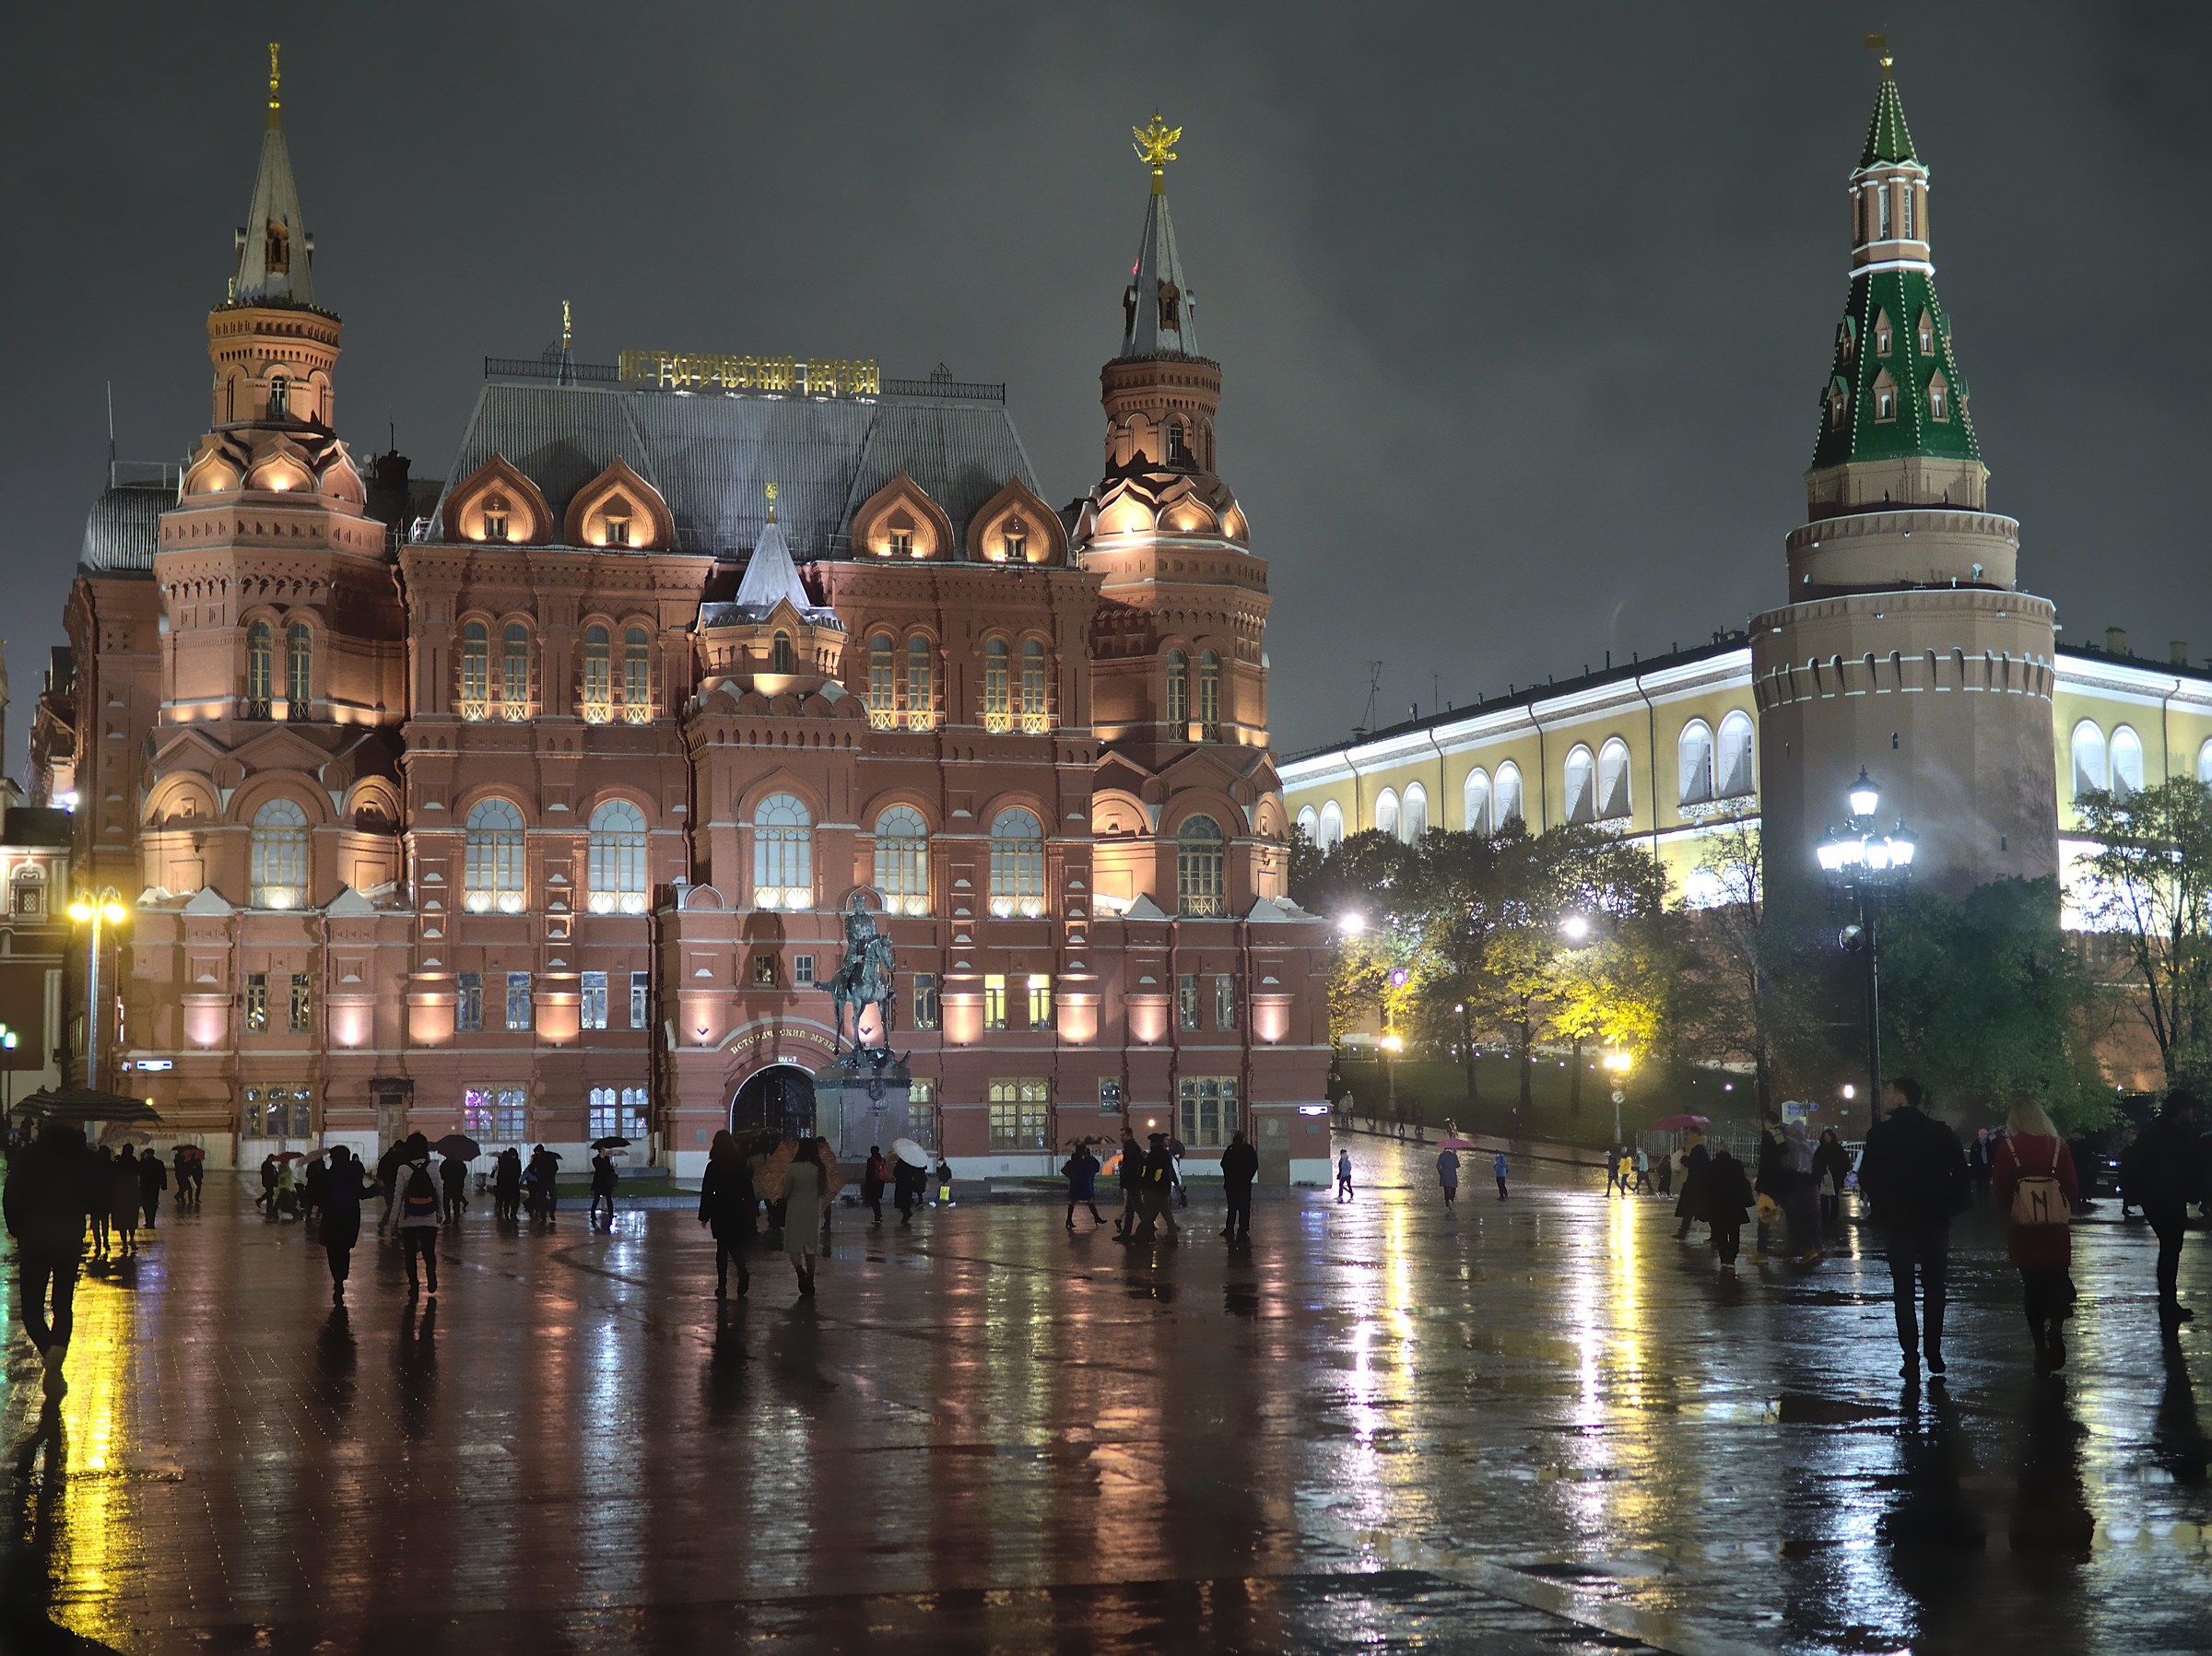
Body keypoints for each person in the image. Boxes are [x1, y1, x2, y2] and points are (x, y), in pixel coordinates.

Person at [1856, 1076, 1970, 1382]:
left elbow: (1867, 1176)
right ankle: (1934, 1351)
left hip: (1897, 1221)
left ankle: (1910, 1356)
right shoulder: (1939, 1133)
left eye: (1890, 1092)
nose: (1885, 1096)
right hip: (1933, 1220)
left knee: (1903, 1290)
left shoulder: (1879, 1135)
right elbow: (1960, 1176)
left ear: (1901, 1098)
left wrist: (1884, 1200)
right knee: (1934, 1287)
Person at [3, 1119, 98, 1400]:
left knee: (31, 1310)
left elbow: (11, 1195)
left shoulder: (30, 1156)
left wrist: (17, 1228)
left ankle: (49, 1355)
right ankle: (56, 1354)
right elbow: (96, 1198)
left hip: (34, 1239)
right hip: (68, 1239)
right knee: (62, 1304)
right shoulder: (83, 1159)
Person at [1991, 1100, 2081, 1374]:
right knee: (2057, 1279)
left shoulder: (2009, 1149)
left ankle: (2040, 1348)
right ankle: (2056, 1325)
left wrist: (2015, 1211)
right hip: (2054, 1230)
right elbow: (2072, 1189)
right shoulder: (2058, 1147)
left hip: (2025, 1231)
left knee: (2032, 1287)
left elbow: (2001, 1189)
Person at [2123, 1090, 2204, 1331]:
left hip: (2157, 1199)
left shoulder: (2153, 1133)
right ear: (2181, 1111)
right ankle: (2168, 1303)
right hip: (2169, 1199)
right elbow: (2187, 1167)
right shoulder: (2177, 1136)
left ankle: (2167, 1301)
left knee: (2169, 1249)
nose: (2193, 1115)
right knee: (2171, 1249)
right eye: (2190, 1110)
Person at [698, 1131, 755, 1298]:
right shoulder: (740, 1163)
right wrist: (751, 1209)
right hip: (737, 1208)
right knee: (735, 1245)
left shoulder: (714, 1166)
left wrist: (704, 1215)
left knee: (722, 1248)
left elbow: (707, 1191)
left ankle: (722, 1285)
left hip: (720, 1209)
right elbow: (748, 1188)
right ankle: (742, 1272)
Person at [319, 1145, 378, 1306]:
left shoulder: (327, 1175)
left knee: (332, 1250)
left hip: (331, 1218)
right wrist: (375, 1189)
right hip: (349, 1217)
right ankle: (341, 1278)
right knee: (344, 1249)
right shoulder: (352, 1174)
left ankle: (337, 1279)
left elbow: (320, 1197)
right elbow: (361, 1193)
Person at [386, 1133, 442, 1298]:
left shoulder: (403, 1169)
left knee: (410, 1255)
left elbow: (399, 1196)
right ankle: (431, 1277)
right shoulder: (433, 1167)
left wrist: (393, 1219)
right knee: (429, 1252)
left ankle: (414, 1286)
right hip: (429, 1217)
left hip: (408, 1218)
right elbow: (439, 1191)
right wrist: (441, 1213)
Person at [782, 1139, 824, 1296]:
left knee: (794, 1244)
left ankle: (800, 1272)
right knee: (810, 1247)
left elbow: (786, 1193)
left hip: (795, 1210)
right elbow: (823, 1190)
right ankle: (811, 1280)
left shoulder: (793, 1168)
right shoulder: (819, 1168)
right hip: (813, 1211)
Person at [1778, 1120, 1822, 1263]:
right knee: (1806, 1217)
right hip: (1806, 1185)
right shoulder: (1807, 1147)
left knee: (1797, 1217)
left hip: (1799, 1184)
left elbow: (1794, 1164)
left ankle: (1807, 1247)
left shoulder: (1795, 1145)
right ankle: (1812, 1246)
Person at [1704, 1145, 1755, 1269]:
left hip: (1717, 1205)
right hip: (1735, 1204)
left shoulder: (1712, 1165)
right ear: (1730, 1152)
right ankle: (1732, 1258)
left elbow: (1707, 1185)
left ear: (1718, 1152)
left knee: (1721, 1233)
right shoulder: (1736, 1164)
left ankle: (1723, 1258)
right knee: (1734, 1232)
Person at [1129, 1133, 1182, 1244]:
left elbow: (1150, 1171)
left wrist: (1144, 1161)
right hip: (1164, 1188)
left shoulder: (1153, 1154)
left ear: (1153, 1142)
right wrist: (1176, 1183)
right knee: (1166, 1213)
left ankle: (1141, 1236)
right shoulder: (1166, 1154)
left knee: (1148, 1213)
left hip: (1153, 1188)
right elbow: (1169, 1171)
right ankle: (1172, 1236)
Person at [1220, 1131, 1259, 1241]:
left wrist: (1230, 1176)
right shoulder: (1247, 1150)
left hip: (1235, 1184)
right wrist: (1247, 1177)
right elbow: (1254, 1165)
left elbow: (1224, 1164)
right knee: (1242, 1208)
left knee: (1234, 1208)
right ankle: (1241, 1230)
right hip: (1241, 1184)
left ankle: (1232, 1229)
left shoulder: (1233, 1149)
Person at [1814, 1128, 1852, 1231]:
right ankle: (1826, 1217)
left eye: (1828, 1136)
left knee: (1832, 1197)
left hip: (1834, 1176)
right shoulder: (1823, 1149)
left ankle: (1832, 1217)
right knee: (1825, 1198)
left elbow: (1843, 1163)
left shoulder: (1831, 1149)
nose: (1827, 1138)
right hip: (1826, 1177)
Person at [111, 1145, 144, 1258]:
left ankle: (124, 1241)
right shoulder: (134, 1162)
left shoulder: (118, 1163)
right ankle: (132, 1238)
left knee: (122, 1219)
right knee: (132, 1218)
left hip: (120, 1194)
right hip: (132, 1194)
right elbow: (140, 1172)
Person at [1675, 1130, 1710, 1239]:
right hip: (1692, 1183)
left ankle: (1716, 1235)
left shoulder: (1698, 1148)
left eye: (1690, 1133)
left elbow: (1695, 1164)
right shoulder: (1692, 1147)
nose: (1687, 1136)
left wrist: (1684, 1159)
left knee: (1702, 1210)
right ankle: (1682, 1232)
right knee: (1689, 1210)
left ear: (1695, 1134)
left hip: (1696, 1184)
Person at [1064, 1142, 1105, 1229]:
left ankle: (1069, 1220)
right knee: (1086, 1200)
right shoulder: (1081, 1159)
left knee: (1074, 1201)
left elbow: (1094, 1167)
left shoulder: (1077, 1159)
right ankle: (1095, 1218)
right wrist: (1089, 1157)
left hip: (1078, 1184)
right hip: (1082, 1183)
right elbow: (1095, 1167)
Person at [1113, 1131, 1143, 1238]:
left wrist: (1123, 1168)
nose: (1121, 1137)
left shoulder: (1131, 1147)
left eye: (1123, 1135)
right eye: (1120, 1135)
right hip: (1132, 1181)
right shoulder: (1131, 1146)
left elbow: (1131, 1165)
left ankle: (1148, 1229)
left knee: (1138, 1207)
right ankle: (1126, 1232)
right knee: (1130, 1208)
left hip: (1132, 1181)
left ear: (1130, 1135)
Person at [88, 1145, 113, 1261]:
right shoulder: (110, 1165)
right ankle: (106, 1240)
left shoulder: (93, 1166)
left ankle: (97, 1242)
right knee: (105, 1221)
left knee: (95, 1222)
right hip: (106, 1198)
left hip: (94, 1197)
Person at [527, 1144, 561, 1226]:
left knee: (542, 1198)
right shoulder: (550, 1156)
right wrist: (552, 1174)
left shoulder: (537, 1158)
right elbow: (556, 1168)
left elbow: (531, 1169)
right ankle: (552, 1212)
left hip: (541, 1181)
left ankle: (543, 1216)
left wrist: (537, 1174)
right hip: (550, 1180)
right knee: (553, 1197)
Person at [138, 1146, 168, 1228]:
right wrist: (164, 1185)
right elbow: (163, 1174)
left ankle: (148, 1220)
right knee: (153, 1203)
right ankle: (151, 1221)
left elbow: (138, 1171)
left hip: (144, 1186)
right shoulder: (158, 1163)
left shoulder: (143, 1163)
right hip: (154, 1186)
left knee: (145, 1203)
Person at [590, 1149, 618, 1225]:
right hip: (599, 1182)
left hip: (606, 1182)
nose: (605, 1151)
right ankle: (592, 1214)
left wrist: (612, 1167)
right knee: (596, 1198)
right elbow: (600, 1168)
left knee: (609, 1198)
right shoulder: (595, 1160)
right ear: (600, 1151)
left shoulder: (607, 1159)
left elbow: (609, 1169)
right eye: (603, 1150)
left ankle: (611, 1214)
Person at [494, 1147, 522, 1222]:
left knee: (508, 1201)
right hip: (512, 1184)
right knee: (512, 1201)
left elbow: (501, 1174)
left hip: (507, 1184)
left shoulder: (505, 1162)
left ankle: (508, 1215)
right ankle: (512, 1215)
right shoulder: (516, 1162)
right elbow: (518, 1172)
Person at [441, 1153, 470, 1224]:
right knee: (456, 1202)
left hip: (448, 1185)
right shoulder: (460, 1163)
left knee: (446, 1202)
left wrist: (446, 1178)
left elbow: (441, 1173)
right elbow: (464, 1172)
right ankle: (456, 1219)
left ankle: (448, 1218)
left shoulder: (445, 1163)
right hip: (458, 1185)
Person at [861, 1146, 888, 1224]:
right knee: (876, 1200)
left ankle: (877, 1217)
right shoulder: (882, 1159)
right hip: (880, 1182)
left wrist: (868, 1183)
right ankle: (878, 1216)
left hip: (873, 1182)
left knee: (874, 1200)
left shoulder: (871, 1160)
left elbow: (869, 1173)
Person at [300, 1151, 328, 1226]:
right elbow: (324, 1173)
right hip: (318, 1187)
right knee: (318, 1202)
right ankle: (316, 1215)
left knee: (311, 1203)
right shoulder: (320, 1165)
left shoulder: (313, 1164)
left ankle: (311, 1216)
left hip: (313, 1187)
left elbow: (308, 1175)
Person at [1436, 1145, 1460, 1212]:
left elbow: (1438, 1165)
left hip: (1444, 1174)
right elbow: (1458, 1165)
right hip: (1452, 1175)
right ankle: (1451, 1200)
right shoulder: (1454, 1156)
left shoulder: (1442, 1155)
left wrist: (1441, 1173)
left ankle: (1447, 1203)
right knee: (1453, 1188)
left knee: (1446, 1189)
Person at [257, 1152, 281, 1219]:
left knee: (270, 1193)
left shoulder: (270, 1165)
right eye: (273, 1159)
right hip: (268, 1182)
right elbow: (266, 1173)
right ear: (270, 1158)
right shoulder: (266, 1164)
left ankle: (260, 1201)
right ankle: (269, 1207)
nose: (273, 1160)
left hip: (270, 1182)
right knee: (270, 1193)